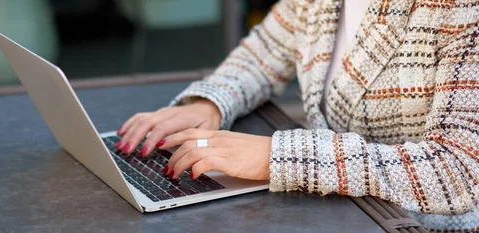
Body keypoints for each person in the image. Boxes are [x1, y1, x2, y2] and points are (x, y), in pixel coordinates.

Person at [117, 0, 479, 231]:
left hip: (416, 224)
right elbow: (266, 51)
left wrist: (281, 156)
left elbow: (459, 171)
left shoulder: (462, 10)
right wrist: (208, 104)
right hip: (333, 212)